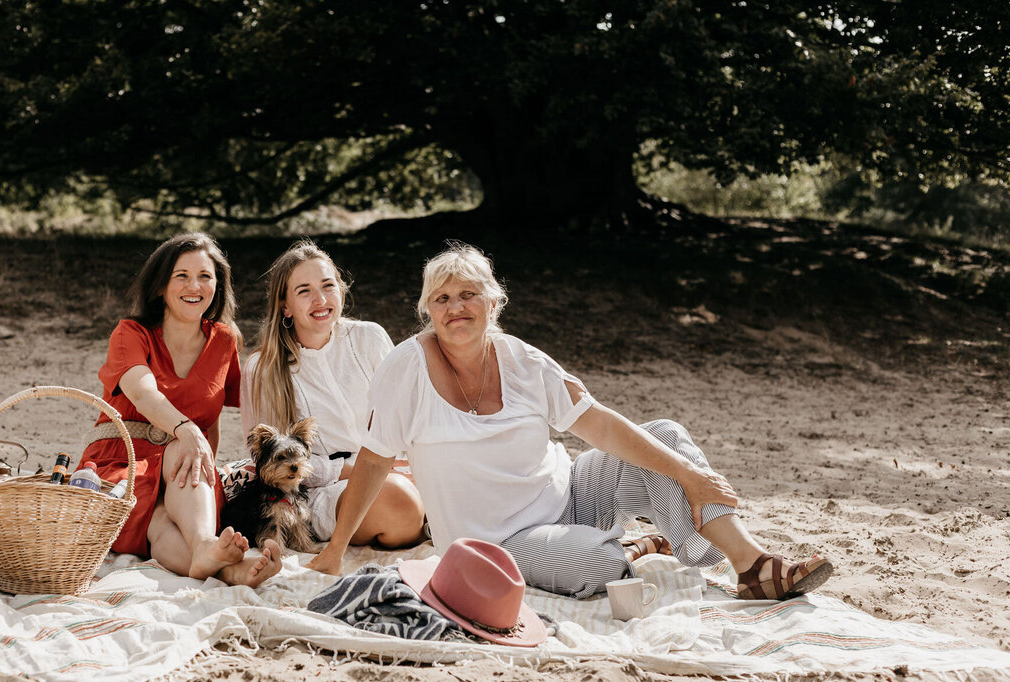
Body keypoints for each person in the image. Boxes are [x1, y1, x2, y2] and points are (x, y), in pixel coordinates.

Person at [308, 243, 833, 603]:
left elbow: (599, 425)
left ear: (494, 302)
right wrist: (334, 552)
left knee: (666, 437)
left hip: (571, 492)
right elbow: (374, 460)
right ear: (428, 310)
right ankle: (634, 543)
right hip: (498, 540)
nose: (456, 308)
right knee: (599, 566)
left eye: (468, 294)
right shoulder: (405, 368)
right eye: (441, 299)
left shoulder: (524, 361)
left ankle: (754, 567)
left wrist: (690, 477)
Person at [79, 232, 280, 586]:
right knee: (166, 490)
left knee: (166, 523)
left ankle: (225, 568)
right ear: (160, 286)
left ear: (218, 285)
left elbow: (212, 420)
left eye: (205, 276)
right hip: (121, 462)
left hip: (188, 475)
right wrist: (187, 432)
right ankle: (206, 547)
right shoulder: (131, 333)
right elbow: (143, 394)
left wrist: (207, 482)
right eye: (182, 276)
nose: (195, 286)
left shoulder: (224, 340)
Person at [241, 239, 425, 551]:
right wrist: (364, 470)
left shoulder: (370, 337)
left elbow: (411, 414)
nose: (321, 299)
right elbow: (269, 463)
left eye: (328, 285)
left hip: (400, 469)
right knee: (399, 501)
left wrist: (416, 467)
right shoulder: (264, 368)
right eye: (304, 291)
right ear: (284, 306)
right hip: (322, 491)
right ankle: (422, 520)